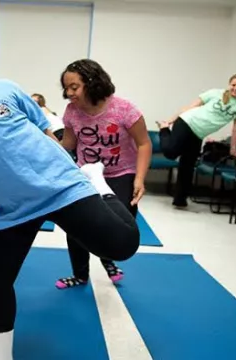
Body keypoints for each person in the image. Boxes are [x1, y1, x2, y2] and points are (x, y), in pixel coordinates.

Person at [0, 33, 140, 360]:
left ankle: (97, 182)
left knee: (122, 245)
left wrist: (71, 170)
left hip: (60, 187)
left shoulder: (3, 89)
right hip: (10, 210)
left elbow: (44, 129)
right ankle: (0, 355)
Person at [55, 59, 151, 289]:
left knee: (117, 224)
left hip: (120, 173)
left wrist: (139, 179)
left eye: (74, 87)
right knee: (77, 225)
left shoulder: (124, 109)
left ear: (92, 82)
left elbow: (144, 144)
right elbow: (69, 142)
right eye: (66, 88)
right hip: (85, 175)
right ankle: (80, 275)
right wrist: (44, 141)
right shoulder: (72, 111)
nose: (69, 93)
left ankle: (108, 258)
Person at [158, 74, 236, 208]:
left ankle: (180, 200)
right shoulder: (215, 93)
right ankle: (164, 130)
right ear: (229, 84)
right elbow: (190, 107)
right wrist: (171, 120)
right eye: (233, 85)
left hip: (199, 134)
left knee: (187, 166)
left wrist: (233, 149)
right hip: (187, 122)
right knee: (171, 153)